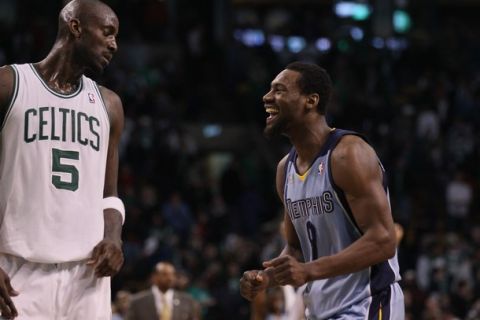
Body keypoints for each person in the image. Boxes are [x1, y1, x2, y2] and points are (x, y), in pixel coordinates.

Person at [240, 62, 405, 319]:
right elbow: (296, 249)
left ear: (311, 100)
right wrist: (268, 277)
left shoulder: (348, 154)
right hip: (320, 309)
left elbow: (384, 240)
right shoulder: (285, 169)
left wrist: (308, 271)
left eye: (279, 90)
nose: (267, 97)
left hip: (368, 302)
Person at [0, 0, 125, 319]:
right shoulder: (9, 85)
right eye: (107, 32)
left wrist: (113, 238)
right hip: (17, 272)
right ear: (75, 27)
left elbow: (109, 194)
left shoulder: (109, 104)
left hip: (87, 278)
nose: (114, 44)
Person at [126, 262, 200, 320]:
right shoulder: (137, 301)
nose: (170, 278)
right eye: (165, 274)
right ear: (154, 277)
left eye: (172, 274)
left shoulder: (187, 301)